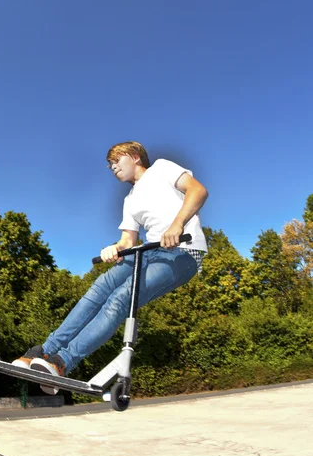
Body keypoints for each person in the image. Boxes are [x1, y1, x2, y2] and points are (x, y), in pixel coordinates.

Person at [12, 141, 208, 380]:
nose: (113, 167)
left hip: (182, 253)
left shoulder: (162, 168)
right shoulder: (130, 199)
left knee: (120, 299)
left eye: (116, 161)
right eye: (110, 165)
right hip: (147, 252)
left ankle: (63, 362)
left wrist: (177, 225)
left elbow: (198, 190)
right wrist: (113, 249)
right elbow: (127, 241)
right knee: (98, 290)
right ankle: (44, 353)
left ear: (135, 156)